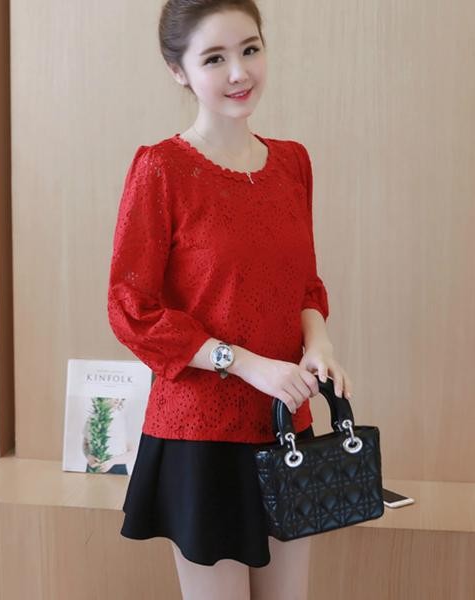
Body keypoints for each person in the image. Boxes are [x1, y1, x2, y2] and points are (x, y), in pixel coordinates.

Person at [107, 1, 353, 598]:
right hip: (201, 438)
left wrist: (318, 343)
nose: (240, 72)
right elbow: (131, 309)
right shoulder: (162, 169)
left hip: (286, 424)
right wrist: (246, 364)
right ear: (179, 71)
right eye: (215, 58)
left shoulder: (292, 163)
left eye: (250, 49)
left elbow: (304, 284)